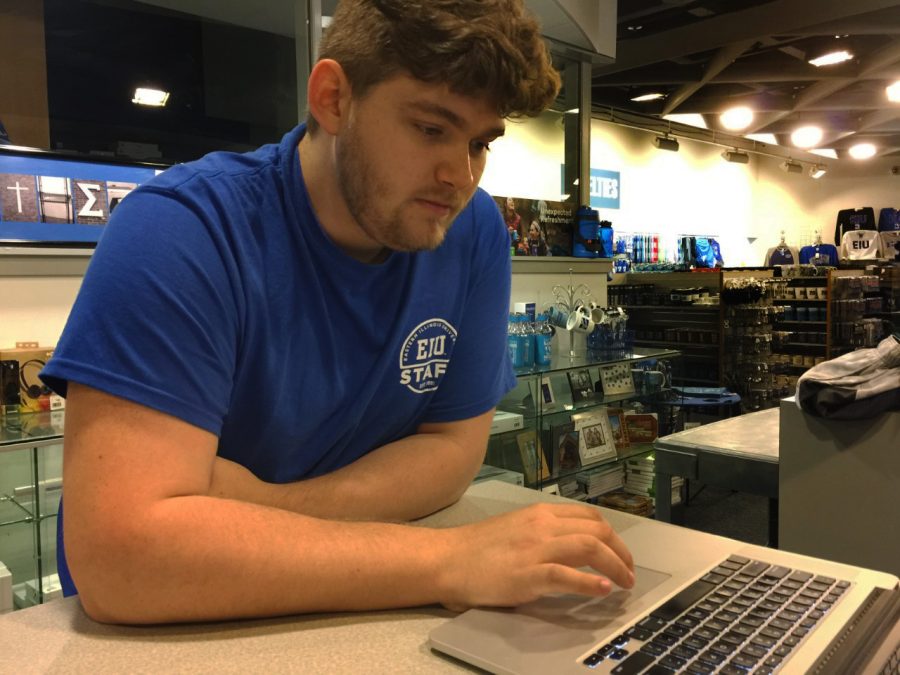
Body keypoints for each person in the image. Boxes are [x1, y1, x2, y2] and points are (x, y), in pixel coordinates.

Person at [40, 0, 634, 625]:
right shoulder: (180, 227)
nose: (458, 176)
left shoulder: (472, 231)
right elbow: (120, 558)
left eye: (480, 142)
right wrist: (448, 561)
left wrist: (263, 507)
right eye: (431, 128)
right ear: (332, 98)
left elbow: (451, 450)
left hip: (351, 616)